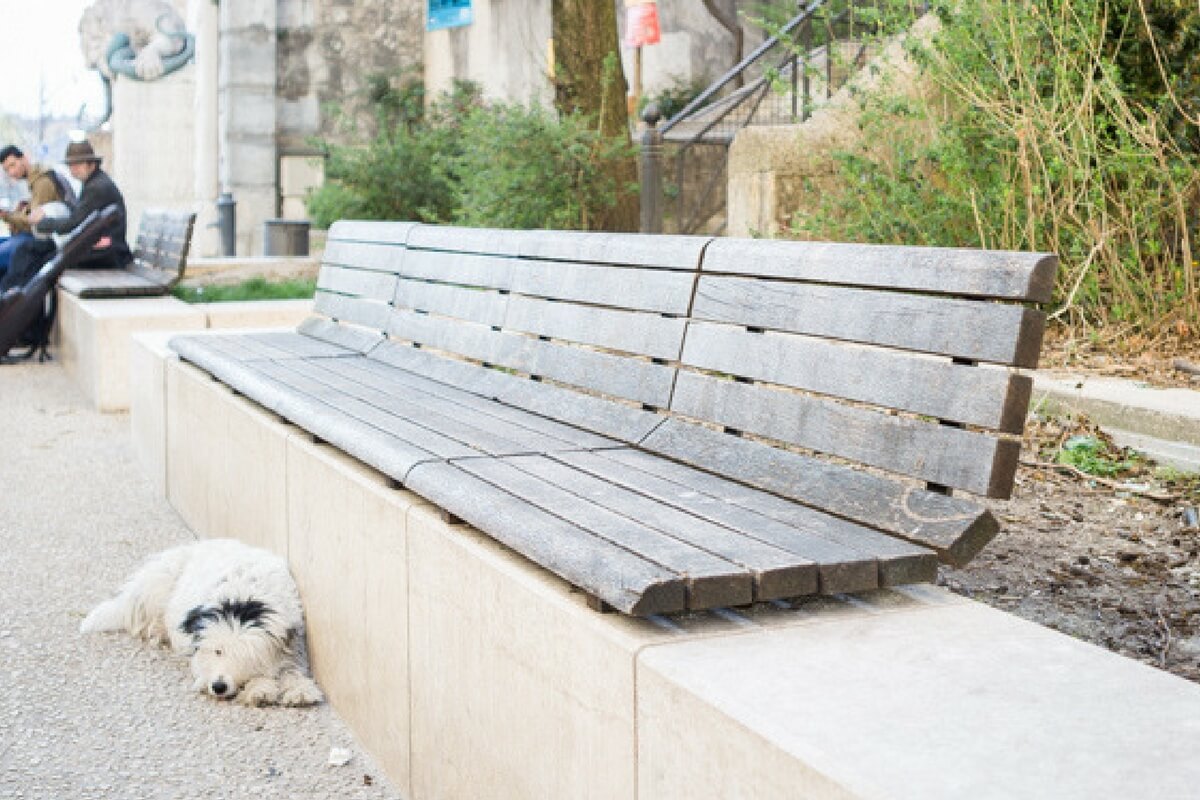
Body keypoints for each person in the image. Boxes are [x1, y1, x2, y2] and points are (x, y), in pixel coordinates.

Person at [32, 139, 131, 269]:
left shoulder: (96, 187)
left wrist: (41, 223)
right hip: (107, 250)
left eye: (78, 165)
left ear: (92, 165)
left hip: (109, 253)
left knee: (46, 260)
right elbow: (80, 213)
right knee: (46, 257)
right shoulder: (94, 182)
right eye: (70, 165)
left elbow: (73, 223)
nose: (73, 170)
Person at [0, 144, 64, 282]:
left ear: (24, 158)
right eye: (7, 169)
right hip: (32, 235)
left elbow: (34, 223)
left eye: (13, 165)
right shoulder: (34, 181)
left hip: (46, 240)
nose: (11, 172)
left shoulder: (43, 182)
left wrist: (7, 216)